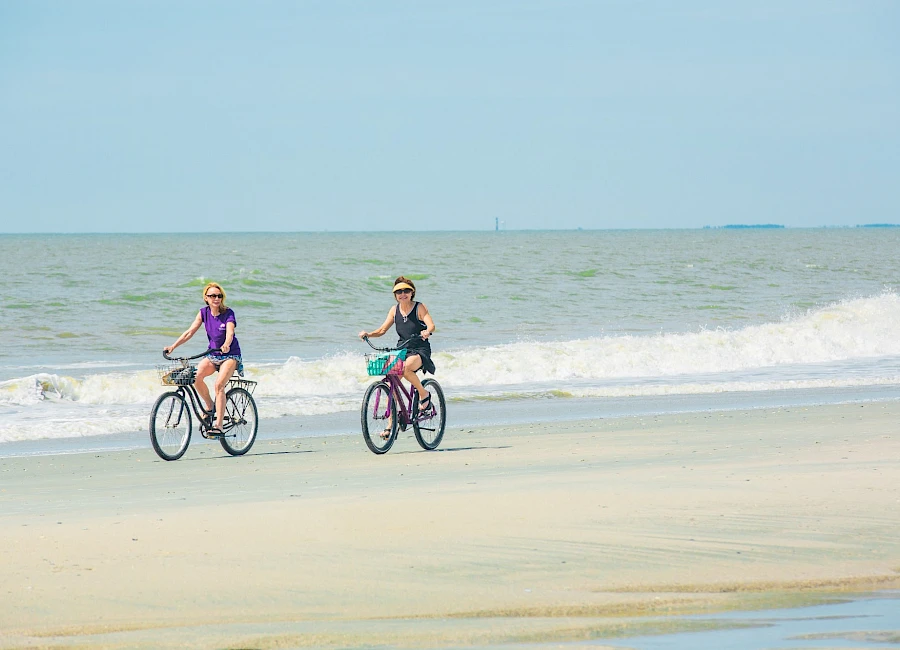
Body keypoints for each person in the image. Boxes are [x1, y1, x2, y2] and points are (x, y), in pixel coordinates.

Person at [164, 282, 243, 437]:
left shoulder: (228, 313)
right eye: (212, 296)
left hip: (230, 354)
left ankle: (218, 426)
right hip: (213, 354)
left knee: (219, 385)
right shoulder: (203, 313)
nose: (216, 298)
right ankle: (210, 406)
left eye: (219, 296)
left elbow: (230, 332)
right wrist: (173, 346)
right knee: (196, 377)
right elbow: (189, 332)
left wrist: (227, 344)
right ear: (206, 298)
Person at [358, 276, 436, 433]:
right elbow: (381, 330)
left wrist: (427, 331)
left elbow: (431, 324)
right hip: (402, 350)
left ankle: (424, 394)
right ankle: (390, 426)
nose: (403, 294)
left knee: (406, 368)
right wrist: (369, 334)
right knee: (390, 386)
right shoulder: (394, 310)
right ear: (395, 295)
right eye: (399, 292)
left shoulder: (419, 307)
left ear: (412, 292)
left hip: (420, 349)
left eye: (406, 291)